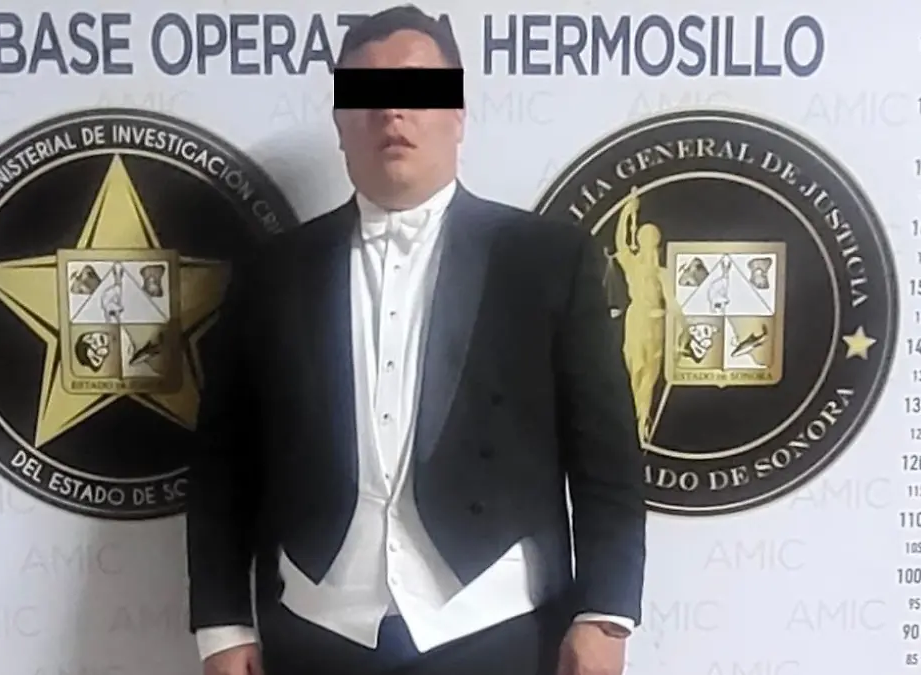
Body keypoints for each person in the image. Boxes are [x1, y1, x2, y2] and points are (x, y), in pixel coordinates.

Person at [187, 5, 646, 675]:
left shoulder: (551, 260)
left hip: (499, 629)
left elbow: (607, 459)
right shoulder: (270, 273)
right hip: (314, 631)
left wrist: (604, 615)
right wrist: (222, 624)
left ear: (458, 114)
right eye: (365, 95)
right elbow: (224, 464)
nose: (391, 112)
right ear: (341, 122)